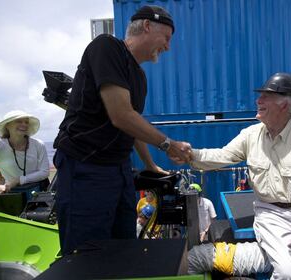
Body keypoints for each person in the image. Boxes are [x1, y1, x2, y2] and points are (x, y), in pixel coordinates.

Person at [53, 5, 191, 255]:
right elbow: (121, 115)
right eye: (167, 38)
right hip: (85, 167)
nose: (168, 47)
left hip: (119, 170)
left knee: (124, 249)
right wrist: (168, 144)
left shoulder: (139, 76)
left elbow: (132, 123)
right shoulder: (107, 47)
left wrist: (149, 165)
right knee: (88, 254)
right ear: (147, 26)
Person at [188, 73, 291, 279]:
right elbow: (221, 155)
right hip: (271, 214)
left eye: (266, 97)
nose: (258, 101)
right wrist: (188, 154)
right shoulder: (251, 135)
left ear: (284, 105)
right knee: (288, 273)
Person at [0, 110, 49, 198]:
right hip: (12, 194)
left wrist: (18, 180)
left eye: (26, 122)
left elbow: (45, 172)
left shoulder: (38, 144)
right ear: (7, 125)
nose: (24, 124)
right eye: (19, 121)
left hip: (40, 190)